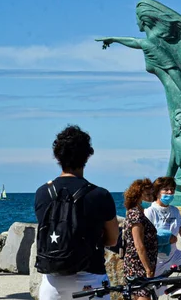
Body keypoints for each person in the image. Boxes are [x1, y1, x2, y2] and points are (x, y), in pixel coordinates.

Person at [34, 125, 119, 300]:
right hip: (91, 278)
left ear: (57, 156)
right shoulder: (99, 195)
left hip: (52, 282)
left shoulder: (42, 193)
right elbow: (112, 239)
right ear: (87, 156)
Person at [123, 178, 158, 300]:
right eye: (147, 194)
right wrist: (148, 269)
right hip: (138, 265)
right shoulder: (135, 214)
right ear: (139, 194)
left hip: (139, 264)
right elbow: (138, 245)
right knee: (143, 295)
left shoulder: (137, 211)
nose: (151, 196)